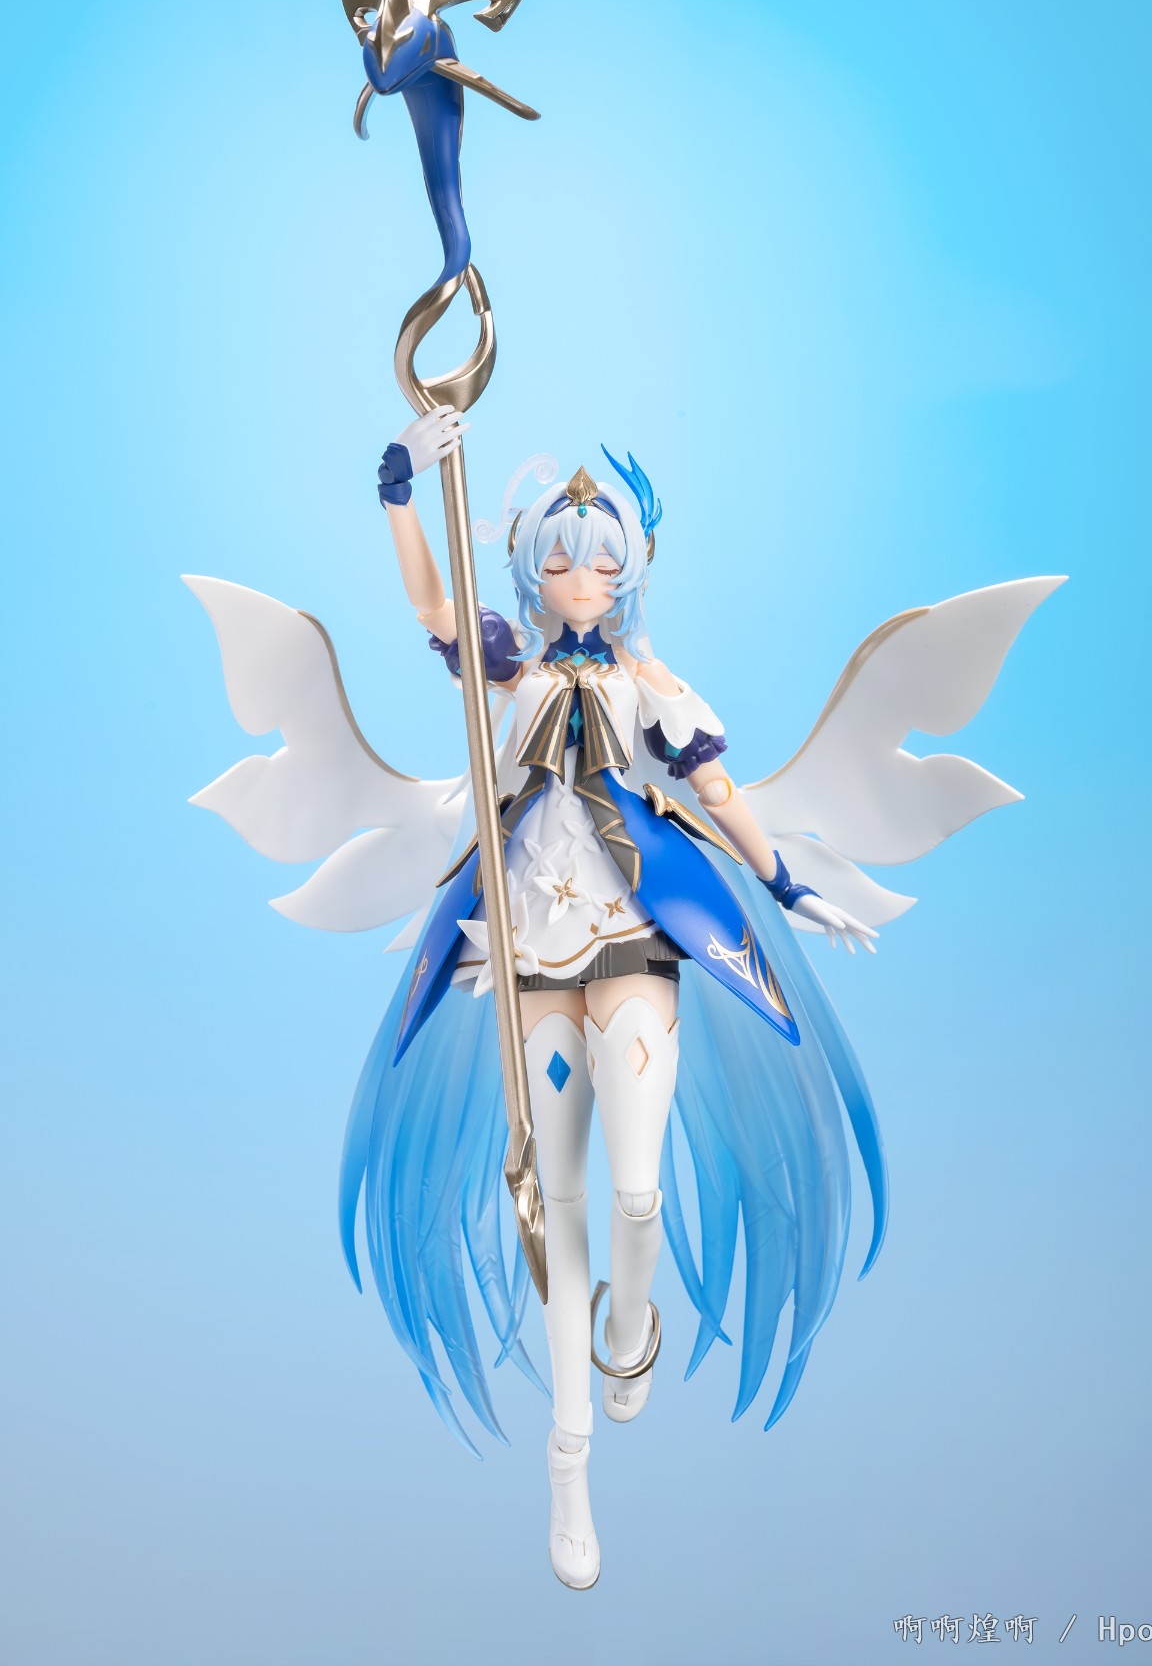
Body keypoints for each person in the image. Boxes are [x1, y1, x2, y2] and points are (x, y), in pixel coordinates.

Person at [377, 404, 878, 1590]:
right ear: (532, 569)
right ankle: (569, 1461)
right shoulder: (508, 664)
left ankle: (631, 1324)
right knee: (555, 1201)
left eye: (602, 563)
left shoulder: (653, 685)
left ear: (630, 572)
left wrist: (788, 883)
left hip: (636, 938)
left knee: (638, 1191)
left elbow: (720, 789)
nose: (581, 579)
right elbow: (433, 610)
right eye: (560, 560)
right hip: (528, 954)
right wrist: (399, 490)